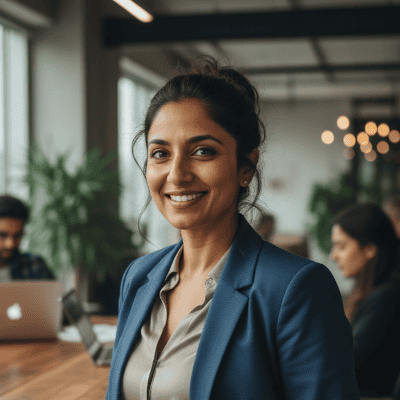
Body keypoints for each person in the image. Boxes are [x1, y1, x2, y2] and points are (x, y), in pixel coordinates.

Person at [106, 59, 359, 400]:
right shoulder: (139, 277)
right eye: (161, 153)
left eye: (203, 151)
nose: (177, 174)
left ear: (246, 166)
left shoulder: (295, 290)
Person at [330, 203, 400, 397]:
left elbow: (345, 364)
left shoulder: (385, 298)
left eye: (341, 246)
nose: (333, 256)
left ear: (369, 249)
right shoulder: (368, 291)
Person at [0, 195, 54, 281]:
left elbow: (54, 294)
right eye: (2, 235)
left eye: (17, 236)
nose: (10, 244)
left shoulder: (35, 265)